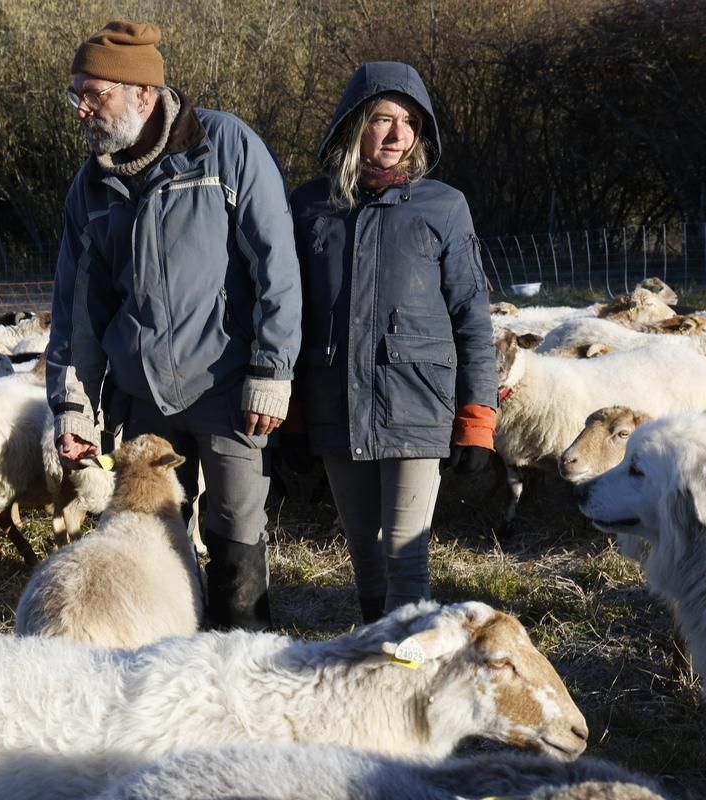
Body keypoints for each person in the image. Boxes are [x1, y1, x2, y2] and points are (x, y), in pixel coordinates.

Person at [45, 20, 302, 631]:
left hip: (227, 383)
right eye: (76, 94)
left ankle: (239, 652)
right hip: (141, 394)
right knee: (151, 530)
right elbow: (79, 307)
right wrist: (74, 407)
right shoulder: (93, 185)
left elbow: (276, 266)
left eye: (94, 93)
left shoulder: (226, 147)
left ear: (142, 92)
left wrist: (272, 370)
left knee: (235, 526)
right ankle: (165, 654)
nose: (81, 108)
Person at [287, 61, 497, 622]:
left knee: (406, 559)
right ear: (354, 124)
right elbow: (291, 315)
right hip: (336, 403)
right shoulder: (309, 207)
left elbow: (472, 317)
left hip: (417, 403)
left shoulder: (443, 206)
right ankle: (378, 656)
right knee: (364, 557)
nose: (398, 134)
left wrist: (478, 418)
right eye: (383, 119)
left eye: (410, 122)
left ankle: (405, 663)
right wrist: (295, 415)